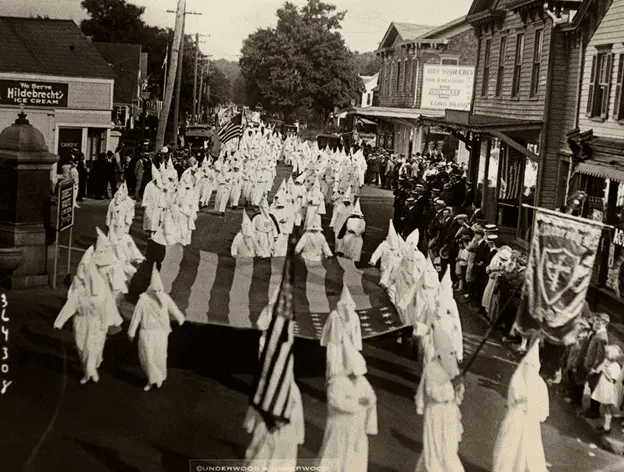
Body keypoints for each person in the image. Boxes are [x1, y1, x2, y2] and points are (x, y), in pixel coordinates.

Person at [318, 337, 377, 472]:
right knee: (336, 455)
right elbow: (336, 401)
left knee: (354, 457)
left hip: (357, 427)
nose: (356, 377)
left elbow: (371, 396)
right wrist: (358, 402)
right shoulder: (336, 382)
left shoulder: (362, 380)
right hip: (340, 427)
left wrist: (368, 401)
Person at [492, 338, 549, 472]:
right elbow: (513, 398)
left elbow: (542, 409)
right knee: (510, 444)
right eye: (527, 366)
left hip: (529, 420)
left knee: (529, 447)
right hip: (516, 416)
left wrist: (531, 407)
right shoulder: (518, 380)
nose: (529, 370)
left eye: (533, 367)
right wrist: (520, 402)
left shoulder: (540, 384)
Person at [128, 264, 185, 392]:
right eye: (155, 291)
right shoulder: (143, 300)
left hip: (161, 332)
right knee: (147, 357)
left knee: (160, 355)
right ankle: (151, 379)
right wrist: (131, 332)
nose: (157, 293)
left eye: (159, 290)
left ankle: (159, 377)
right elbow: (136, 316)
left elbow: (173, 309)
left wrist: (180, 318)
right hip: (146, 332)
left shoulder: (165, 298)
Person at [590, 344, 623, 433]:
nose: (606, 355)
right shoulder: (607, 362)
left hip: (608, 389)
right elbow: (598, 370)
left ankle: (607, 428)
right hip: (603, 386)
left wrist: (604, 370)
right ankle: (605, 425)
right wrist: (598, 368)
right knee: (604, 407)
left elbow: (612, 380)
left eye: (607, 354)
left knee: (607, 409)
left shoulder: (616, 366)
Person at [584, 313, 610, 419]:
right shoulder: (598, 334)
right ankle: (592, 409)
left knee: (594, 388)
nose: (596, 323)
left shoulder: (602, 337)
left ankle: (594, 412)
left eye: (598, 321)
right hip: (591, 366)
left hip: (595, 369)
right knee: (591, 386)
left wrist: (594, 369)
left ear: (604, 323)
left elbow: (600, 356)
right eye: (596, 320)